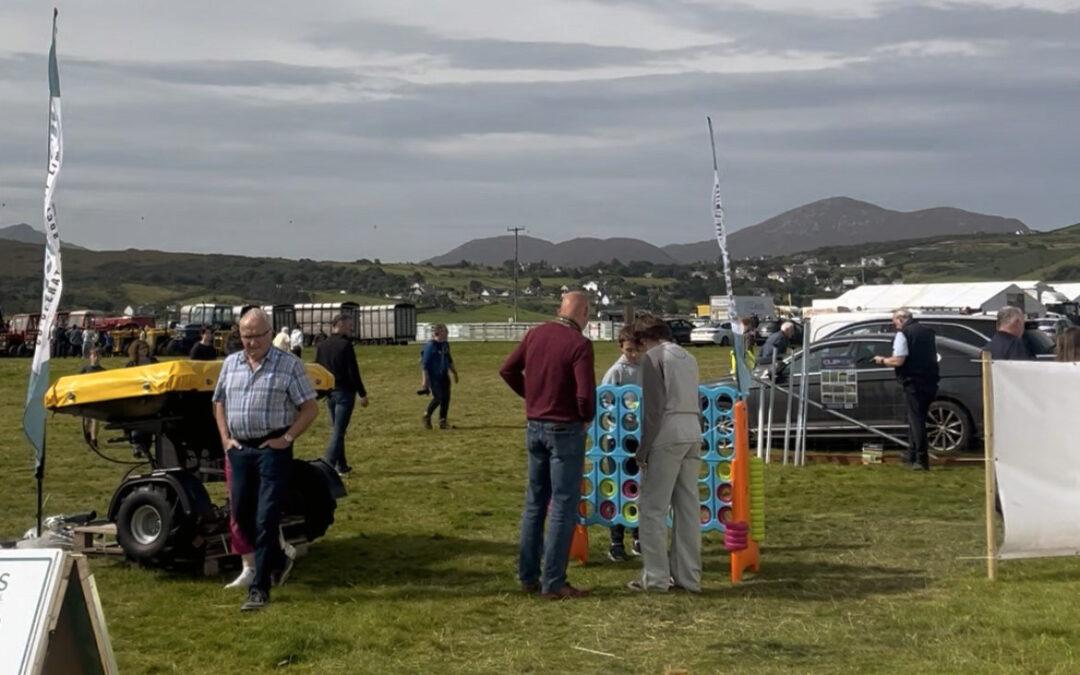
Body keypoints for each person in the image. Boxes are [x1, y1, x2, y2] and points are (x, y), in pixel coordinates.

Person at [212, 308, 318, 612]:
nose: (251, 342)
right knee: (242, 514)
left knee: (266, 517)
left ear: (270, 334)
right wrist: (225, 439)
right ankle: (277, 556)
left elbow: (309, 408)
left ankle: (260, 589)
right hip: (240, 450)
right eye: (245, 336)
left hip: (273, 450)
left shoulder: (289, 365)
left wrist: (286, 439)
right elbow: (218, 402)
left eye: (257, 336)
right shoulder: (231, 364)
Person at [499, 291, 595, 600]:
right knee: (563, 505)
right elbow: (584, 395)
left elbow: (507, 369)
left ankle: (527, 575)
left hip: (535, 426)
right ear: (585, 314)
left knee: (535, 502)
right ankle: (553, 581)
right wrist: (585, 417)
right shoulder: (579, 344)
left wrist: (533, 396)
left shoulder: (535, 333)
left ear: (560, 309)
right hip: (565, 428)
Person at [627, 315, 702, 593]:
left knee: (653, 510)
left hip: (667, 432)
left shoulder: (653, 358)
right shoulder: (689, 358)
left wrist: (643, 449)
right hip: (692, 429)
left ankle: (656, 578)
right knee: (687, 510)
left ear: (645, 339)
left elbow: (654, 409)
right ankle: (689, 577)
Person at [873, 308, 939, 471]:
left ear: (901, 319)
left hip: (913, 381)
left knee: (916, 421)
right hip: (930, 380)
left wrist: (881, 360)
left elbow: (898, 360)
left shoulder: (903, 334)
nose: (893, 324)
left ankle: (921, 460)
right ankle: (912, 453)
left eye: (894, 320)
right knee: (917, 418)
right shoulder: (928, 332)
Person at [601, 325, 642, 561]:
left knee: (637, 487)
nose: (633, 355)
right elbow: (604, 399)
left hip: (639, 437)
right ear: (621, 347)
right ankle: (616, 541)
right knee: (618, 486)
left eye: (636, 350)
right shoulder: (615, 372)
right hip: (617, 438)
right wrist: (621, 411)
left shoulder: (645, 368)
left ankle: (638, 536)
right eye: (629, 351)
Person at [314, 314, 368, 475]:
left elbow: (317, 370)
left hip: (329, 393)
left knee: (337, 429)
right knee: (338, 431)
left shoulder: (322, 345)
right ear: (341, 325)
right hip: (344, 392)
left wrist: (318, 392)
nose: (352, 328)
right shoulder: (345, 345)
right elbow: (353, 371)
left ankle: (341, 465)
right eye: (349, 325)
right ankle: (328, 465)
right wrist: (362, 393)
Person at [420, 324, 459, 430]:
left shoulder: (445, 344)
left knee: (446, 398)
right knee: (439, 397)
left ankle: (443, 421)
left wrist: (454, 373)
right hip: (434, 377)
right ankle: (426, 415)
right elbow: (425, 365)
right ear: (439, 333)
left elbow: (449, 359)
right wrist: (425, 382)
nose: (448, 333)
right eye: (446, 331)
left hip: (444, 375)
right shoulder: (430, 346)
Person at [79, 347, 106, 447]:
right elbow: (78, 382)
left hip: (97, 398)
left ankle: (94, 440)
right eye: (94, 355)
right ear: (90, 357)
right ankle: (88, 435)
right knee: (87, 420)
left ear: (101, 357)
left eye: (98, 355)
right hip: (86, 397)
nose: (96, 357)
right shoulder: (85, 370)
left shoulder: (103, 371)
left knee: (95, 419)